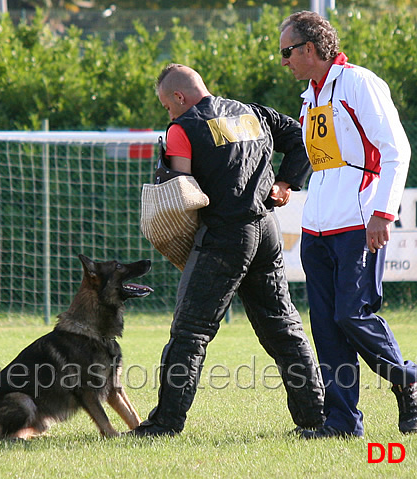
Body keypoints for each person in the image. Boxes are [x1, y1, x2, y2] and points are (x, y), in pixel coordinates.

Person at [130, 63, 325, 437]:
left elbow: (178, 192)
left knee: (190, 331)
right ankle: (315, 418)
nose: (168, 114)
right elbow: (301, 136)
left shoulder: (182, 128)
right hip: (266, 231)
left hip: (224, 237)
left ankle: (165, 424)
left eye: (167, 107)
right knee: (283, 327)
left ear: (179, 97)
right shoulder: (252, 113)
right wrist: (286, 182)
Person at [278, 11, 417, 439]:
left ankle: (407, 377)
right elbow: (320, 158)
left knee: (351, 316)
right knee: (326, 327)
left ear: (310, 48)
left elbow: (396, 149)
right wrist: (288, 183)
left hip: (359, 219)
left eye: (287, 52)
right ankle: (342, 422)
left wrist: (383, 212)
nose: (284, 60)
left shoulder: (360, 82)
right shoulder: (310, 96)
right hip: (316, 226)